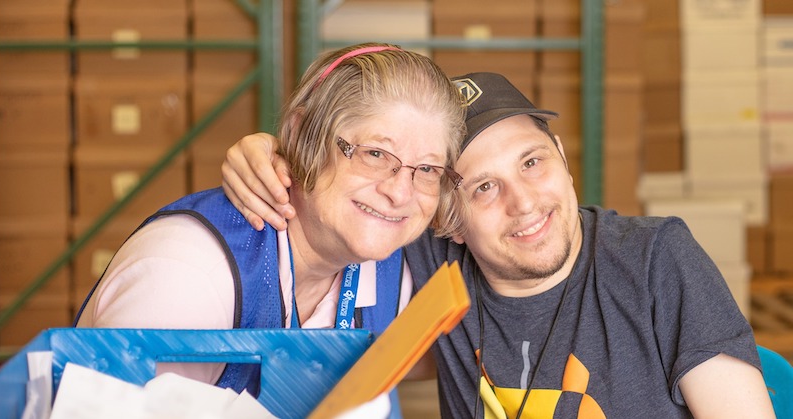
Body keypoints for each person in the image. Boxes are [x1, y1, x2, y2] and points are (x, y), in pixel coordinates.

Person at [221, 72, 776, 418]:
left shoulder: (655, 259)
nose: (524, 201)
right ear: (448, 221)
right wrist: (276, 155)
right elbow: (347, 200)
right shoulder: (436, 265)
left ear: (561, 155)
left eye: (533, 162)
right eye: (484, 187)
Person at [74, 42, 466, 415]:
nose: (400, 192)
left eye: (428, 169)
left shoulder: (396, 273)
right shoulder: (188, 274)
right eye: (375, 154)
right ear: (299, 134)